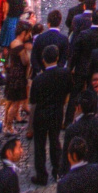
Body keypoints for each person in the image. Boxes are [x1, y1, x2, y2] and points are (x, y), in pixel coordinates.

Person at [31, 42, 75, 185]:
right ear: (57, 58)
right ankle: (58, 171)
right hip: (57, 112)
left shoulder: (38, 80)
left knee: (39, 145)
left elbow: (33, 100)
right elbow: (69, 92)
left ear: (43, 60)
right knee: (55, 142)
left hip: (41, 114)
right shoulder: (65, 74)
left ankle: (41, 175)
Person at [4, 24, 35, 132]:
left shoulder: (12, 43)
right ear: (23, 33)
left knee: (9, 101)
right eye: (28, 33)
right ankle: (9, 126)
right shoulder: (20, 47)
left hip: (11, 74)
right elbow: (25, 61)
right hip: (19, 77)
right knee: (15, 104)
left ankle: (5, 124)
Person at [33, 10, 71, 80]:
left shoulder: (40, 38)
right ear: (59, 22)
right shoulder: (64, 39)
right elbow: (64, 58)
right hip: (58, 77)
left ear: (48, 23)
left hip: (42, 75)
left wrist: (39, 71)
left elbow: (34, 57)